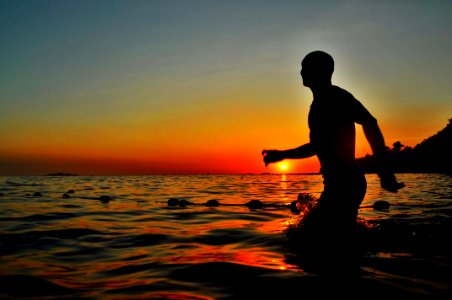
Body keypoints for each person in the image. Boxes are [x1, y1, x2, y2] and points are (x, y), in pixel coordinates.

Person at [262, 51, 404, 265]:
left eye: (305, 66)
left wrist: (384, 170)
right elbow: (319, 145)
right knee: (335, 241)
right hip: (341, 183)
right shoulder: (323, 101)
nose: (301, 71)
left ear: (321, 70)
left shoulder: (334, 97)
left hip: (345, 184)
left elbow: (370, 122)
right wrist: (282, 155)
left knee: (323, 247)